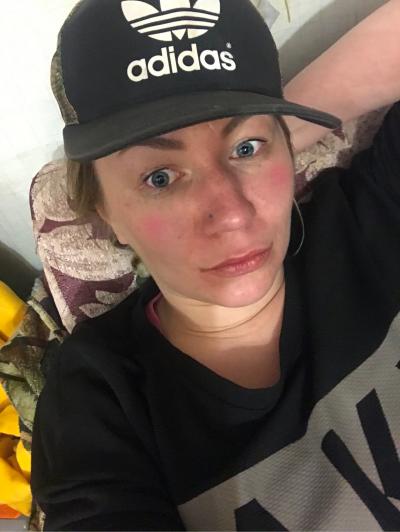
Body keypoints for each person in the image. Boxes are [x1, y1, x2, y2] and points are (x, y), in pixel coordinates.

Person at [31, 0, 400, 530]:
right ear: (105, 212)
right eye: (160, 177)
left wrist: (271, 121)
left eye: (248, 149)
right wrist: (243, 130)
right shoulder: (100, 401)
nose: (231, 213)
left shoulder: (371, 220)